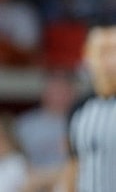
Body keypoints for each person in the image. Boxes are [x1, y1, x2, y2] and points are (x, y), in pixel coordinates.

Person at [60, 25, 116, 192]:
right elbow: (73, 164)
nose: (109, 61)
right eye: (102, 52)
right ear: (88, 56)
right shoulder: (80, 107)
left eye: (113, 51)